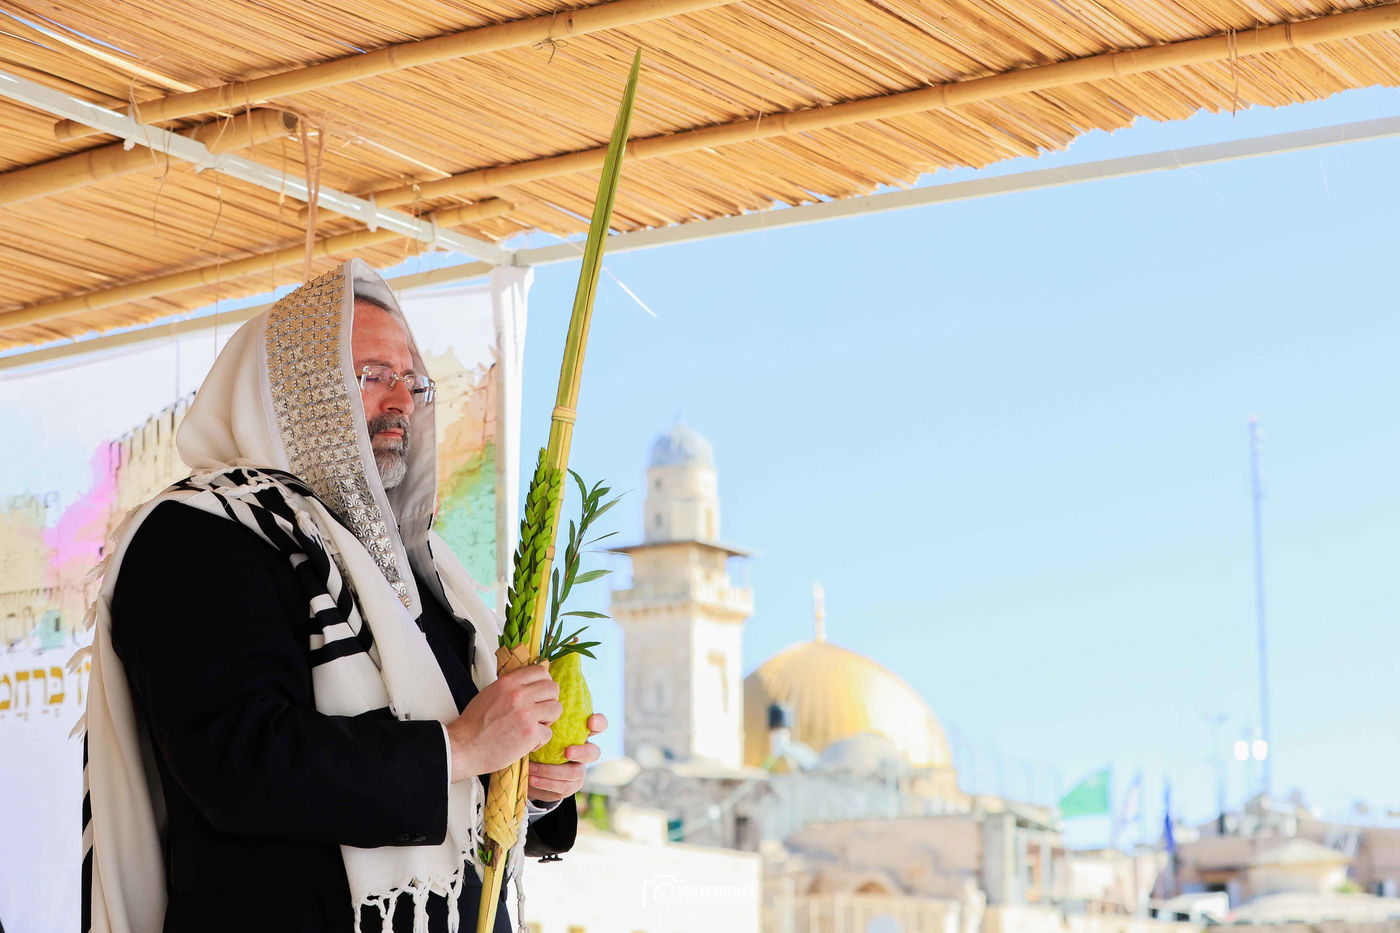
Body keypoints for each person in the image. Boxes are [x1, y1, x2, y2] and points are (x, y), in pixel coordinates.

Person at [79, 259, 603, 933]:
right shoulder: (199, 534)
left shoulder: (422, 566)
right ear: (294, 391)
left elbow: (459, 803)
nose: (402, 402)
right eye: (372, 375)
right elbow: (241, 764)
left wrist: (525, 784)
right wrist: (465, 749)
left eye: (411, 379)